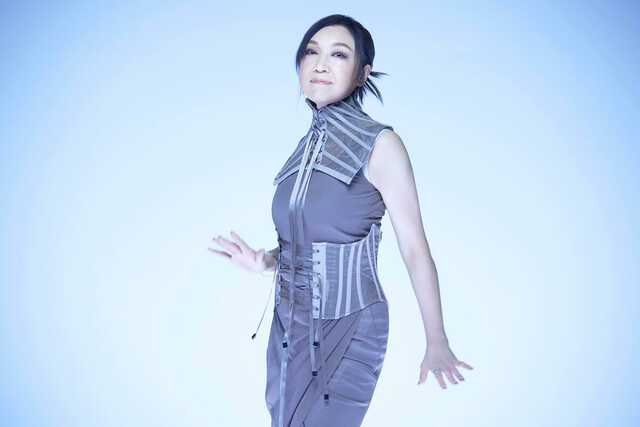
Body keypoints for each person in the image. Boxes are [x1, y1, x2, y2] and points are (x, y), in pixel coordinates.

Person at [209, 13, 474, 427]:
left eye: (338, 54)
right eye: (311, 52)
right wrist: (264, 261)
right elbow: (309, 242)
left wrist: (436, 339)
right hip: (288, 328)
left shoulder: (381, 145)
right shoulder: (302, 151)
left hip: (352, 324)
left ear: (362, 73)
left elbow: (414, 248)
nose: (320, 64)